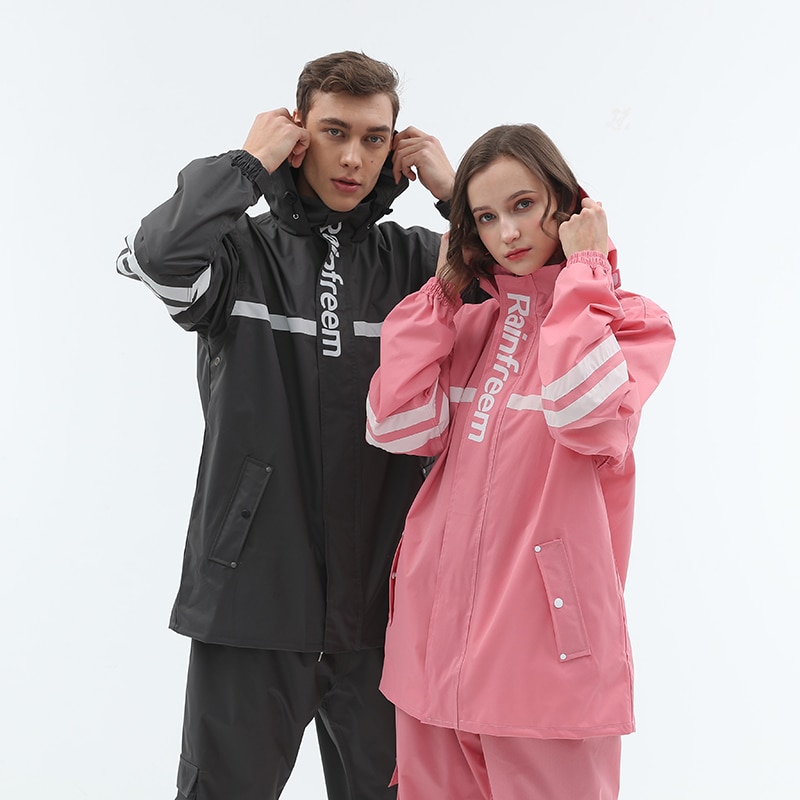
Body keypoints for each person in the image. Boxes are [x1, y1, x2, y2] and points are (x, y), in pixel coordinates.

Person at [116, 51, 454, 800]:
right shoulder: (238, 255)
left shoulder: (422, 264)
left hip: (390, 608)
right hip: (253, 600)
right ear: (298, 135)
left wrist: (455, 195)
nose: (354, 157)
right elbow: (158, 255)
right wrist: (245, 165)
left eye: (374, 138)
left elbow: (527, 300)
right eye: (335, 132)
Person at [366, 123, 675, 799]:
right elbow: (395, 425)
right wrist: (443, 295)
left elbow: (583, 413)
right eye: (485, 217)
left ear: (566, 203)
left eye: (524, 205)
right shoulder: (468, 325)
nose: (507, 232)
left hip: (545, 664)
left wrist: (586, 273)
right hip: (430, 660)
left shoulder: (628, 321)